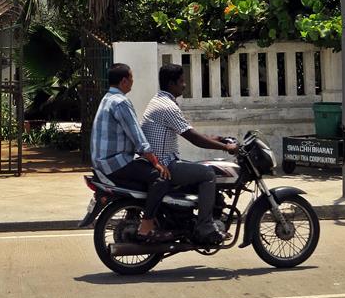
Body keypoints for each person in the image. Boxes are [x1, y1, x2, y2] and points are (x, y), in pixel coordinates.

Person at [141, 63, 238, 245]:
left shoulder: (159, 100)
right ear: (172, 83)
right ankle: (205, 227)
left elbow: (190, 132)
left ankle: (194, 220)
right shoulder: (168, 107)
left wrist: (220, 138)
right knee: (208, 174)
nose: (184, 85)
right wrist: (226, 148)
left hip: (161, 160)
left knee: (201, 168)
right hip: (165, 164)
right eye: (182, 81)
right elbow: (194, 138)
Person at [90, 63, 173, 243]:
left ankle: (135, 214)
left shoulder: (107, 99)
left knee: (144, 173)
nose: (133, 82)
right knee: (160, 178)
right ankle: (147, 226)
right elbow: (137, 135)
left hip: (104, 162)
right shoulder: (121, 102)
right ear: (124, 81)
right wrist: (155, 161)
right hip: (115, 163)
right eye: (132, 78)